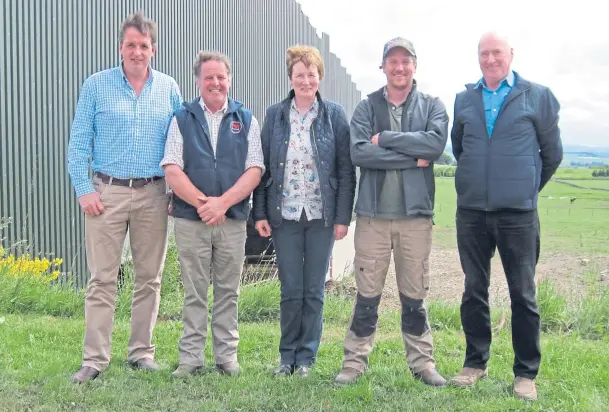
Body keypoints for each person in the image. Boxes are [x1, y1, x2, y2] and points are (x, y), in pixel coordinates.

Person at [67, 11, 182, 383]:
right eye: (131, 45)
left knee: (150, 277)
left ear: (154, 49)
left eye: (144, 46)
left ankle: (141, 353)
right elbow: (78, 143)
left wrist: (175, 192)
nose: (137, 51)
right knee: (102, 278)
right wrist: (84, 190)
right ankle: (94, 359)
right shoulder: (96, 85)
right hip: (107, 193)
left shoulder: (169, 88)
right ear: (121, 48)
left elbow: (178, 145)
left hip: (153, 194)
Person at [449, 32, 563, 401]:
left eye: (497, 52)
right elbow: (459, 146)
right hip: (472, 213)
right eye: (484, 53)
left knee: (524, 295)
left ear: (511, 54)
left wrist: (525, 189)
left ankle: (525, 373)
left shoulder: (538, 96)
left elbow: (552, 154)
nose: (490, 59)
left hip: (518, 215)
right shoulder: (464, 98)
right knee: (473, 290)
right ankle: (474, 363)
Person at [334, 37, 448, 386]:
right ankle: (354, 363)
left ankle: (422, 363)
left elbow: (435, 145)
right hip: (372, 217)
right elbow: (359, 154)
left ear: (415, 65)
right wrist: (411, 158)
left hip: (416, 218)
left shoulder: (433, 105)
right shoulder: (366, 107)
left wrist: (384, 139)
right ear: (382, 66)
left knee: (414, 296)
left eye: (406, 61)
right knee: (367, 295)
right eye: (392, 61)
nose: (399, 67)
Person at [252, 45, 356, 378]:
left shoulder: (335, 116)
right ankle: (286, 357)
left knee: (313, 290)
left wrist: (342, 218)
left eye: (312, 74)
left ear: (319, 77)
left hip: (321, 216)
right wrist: (261, 213)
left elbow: (345, 169)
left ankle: (306, 358)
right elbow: (262, 168)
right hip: (285, 216)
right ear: (290, 78)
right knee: (290, 289)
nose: (306, 80)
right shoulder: (275, 115)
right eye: (300, 74)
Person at [161, 50, 264, 378]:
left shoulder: (245, 119)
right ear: (198, 81)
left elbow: (255, 169)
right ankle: (190, 358)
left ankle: (226, 357)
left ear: (229, 80)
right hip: (192, 221)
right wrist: (205, 204)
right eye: (209, 77)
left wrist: (223, 204)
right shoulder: (182, 118)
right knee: (194, 291)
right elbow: (172, 168)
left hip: (232, 221)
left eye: (221, 77)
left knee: (228, 291)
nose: (215, 83)